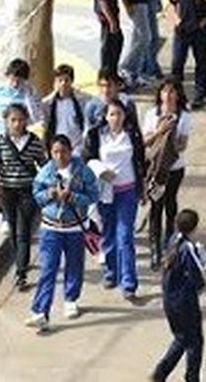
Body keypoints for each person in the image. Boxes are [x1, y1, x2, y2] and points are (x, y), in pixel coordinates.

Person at [27, 133, 98, 329]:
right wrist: (50, 194)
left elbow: (93, 195)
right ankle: (41, 311)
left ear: (70, 151)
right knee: (48, 269)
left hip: (75, 227)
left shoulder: (83, 171)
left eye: (63, 152)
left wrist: (73, 197)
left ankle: (71, 299)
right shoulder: (45, 172)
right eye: (55, 152)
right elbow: (37, 194)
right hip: (51, 228)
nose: (59, 156)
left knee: (74, 265)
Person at [85, 99, 147, 300]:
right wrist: (101, 171)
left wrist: (143, 187)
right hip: (106, 192)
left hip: (127, 192)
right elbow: (88, 159)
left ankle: (129, 282)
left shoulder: (132, 135)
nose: (116, 118)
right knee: (109, 234)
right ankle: (111, 272)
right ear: (105, 116)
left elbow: (140, 161)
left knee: (125, 236)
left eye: (119, 114)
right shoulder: (96, 135)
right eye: (112, 114)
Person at [0, 102, 46, 291]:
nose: (17, 124)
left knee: (23, 230)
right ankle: (21, 259)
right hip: (6, 192)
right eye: (13, 120)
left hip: (27, 191)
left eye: (20, 120)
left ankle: (20, 272)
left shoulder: (34, 141)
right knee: (12, 228)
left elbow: (43, 166)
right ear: (6, 121)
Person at [153, 208, 206, 382]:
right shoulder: (187, 248)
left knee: (181, 338)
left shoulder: (172, 241)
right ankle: (192, 377)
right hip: (185, 301)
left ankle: (161, 372)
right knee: (195, 342)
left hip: (170, 299)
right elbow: (196, 273)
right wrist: (200, 286)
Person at [142, 79, 192, 270]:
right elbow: (146, 141)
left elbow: (182, 145)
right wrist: (160, 131)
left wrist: (172, 136)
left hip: (174, 168)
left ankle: (170, 244)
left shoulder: (184, 116)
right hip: (155, 169)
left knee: (171, 205)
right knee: (156, 206)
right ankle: (155, 249)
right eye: (165, 92)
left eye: (172, 92)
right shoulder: (151, 114)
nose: (168, 96)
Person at [42, 64, 90, 153]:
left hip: (77, 146)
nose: (63, 84)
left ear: (71, 81)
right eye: (60, 80)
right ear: (55, 82)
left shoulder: (83, 100)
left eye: (66, 80)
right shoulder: (48, 103)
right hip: (57, 147)